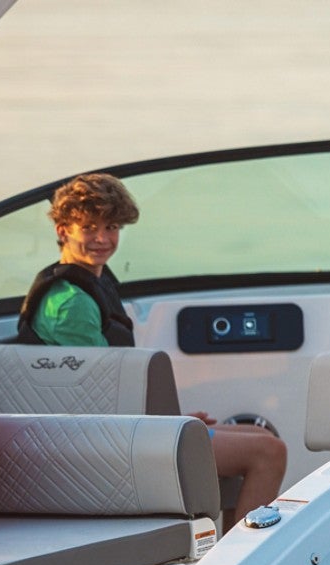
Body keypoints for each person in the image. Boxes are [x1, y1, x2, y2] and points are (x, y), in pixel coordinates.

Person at [17, 172, 286, 526]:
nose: (102, 239)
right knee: (268, 452)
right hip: (106, 440)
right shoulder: (71, 304)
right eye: (89, 227)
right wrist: (170, 424)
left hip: (120, 426)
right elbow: (98, 401)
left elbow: (108, 388)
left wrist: (174, 418)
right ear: (63, 230)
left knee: (260, 436)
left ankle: (231, 549)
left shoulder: (90, 281)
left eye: (111, 227)